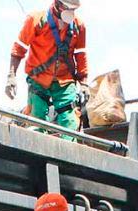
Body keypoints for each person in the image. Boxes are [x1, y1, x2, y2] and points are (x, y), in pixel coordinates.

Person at [6, 0, 88, 132]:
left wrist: (84, 83)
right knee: (37, 122)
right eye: (68, 9)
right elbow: (19, 48)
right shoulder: (36, 20)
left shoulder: (78, 26)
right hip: (38, 78)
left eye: (74, 10)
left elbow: (80, 54)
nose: (71, 13)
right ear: (58, 4)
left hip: (64, 81)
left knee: (70, 121)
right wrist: (11, 76)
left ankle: (67, 149)